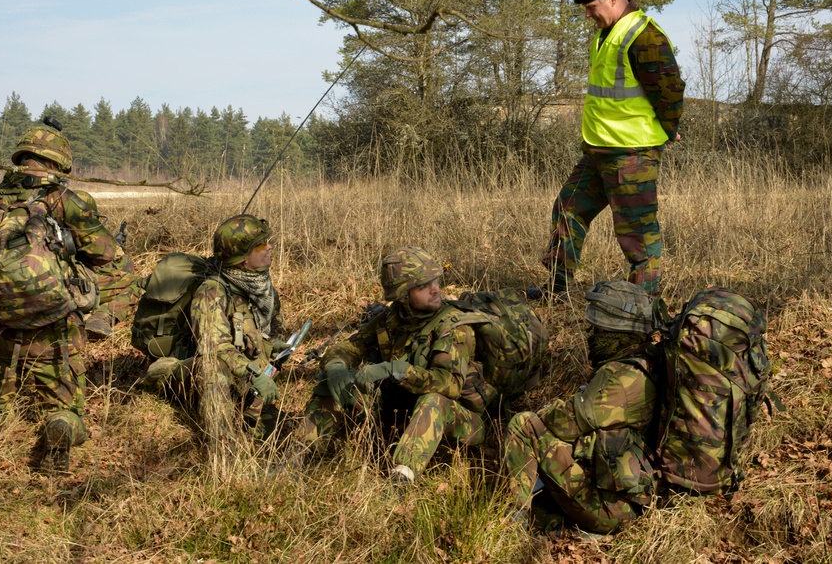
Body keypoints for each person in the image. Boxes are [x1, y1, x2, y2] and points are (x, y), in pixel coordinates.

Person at [0, 119, 135, 473]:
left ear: (22, 157)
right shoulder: (67, 201)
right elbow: (109, 257)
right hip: (58, 326)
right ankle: (58, 438)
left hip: (1, 318)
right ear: (58, 163)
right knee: (64, 405)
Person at [528, 0, 685, 300]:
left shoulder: (645, 37)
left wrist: (669, 129)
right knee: (567, 210)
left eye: (591, 8)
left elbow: (669, 90)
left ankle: (642, 306)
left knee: (637, 234)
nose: (587, 15)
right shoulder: (607, 33)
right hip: (597, 152)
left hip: (631, 155)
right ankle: (557, 289)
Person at [295, 247, 486, 486]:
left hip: (458, 421)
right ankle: (298, 457)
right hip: (402, 414)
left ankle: (401, 480)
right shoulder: (391, 319)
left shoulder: (454, 326)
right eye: (423, 286)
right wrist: (336, 367)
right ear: (403, 296)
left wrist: (395, 370)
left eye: (435, 281)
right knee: (332, 384)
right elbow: (349, 348)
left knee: (433, 401)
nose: (435, 289)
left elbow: (450, 384)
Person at [503, 280, 658, 533]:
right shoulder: (647, 362)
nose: (591, 335)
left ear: (612, 331)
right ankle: (556, 524)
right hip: (632, 497)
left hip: (615, 509)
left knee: (524, 425)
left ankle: (514, 520)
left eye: (596, 330)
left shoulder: (622, 377)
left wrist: (545, 413)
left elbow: (565, 424)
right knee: (545, 502)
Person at [141, 214, 285, 440]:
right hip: (190, 371)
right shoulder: (212, 292)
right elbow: (213, 349)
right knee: (214, 369)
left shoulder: (263, 290)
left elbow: (271, 333)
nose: (270, 247)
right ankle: (222, 445)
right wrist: (253, 373)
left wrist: (274, 347)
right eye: (261, 245)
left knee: (270, 431)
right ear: (243, 258)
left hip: (239, 375)